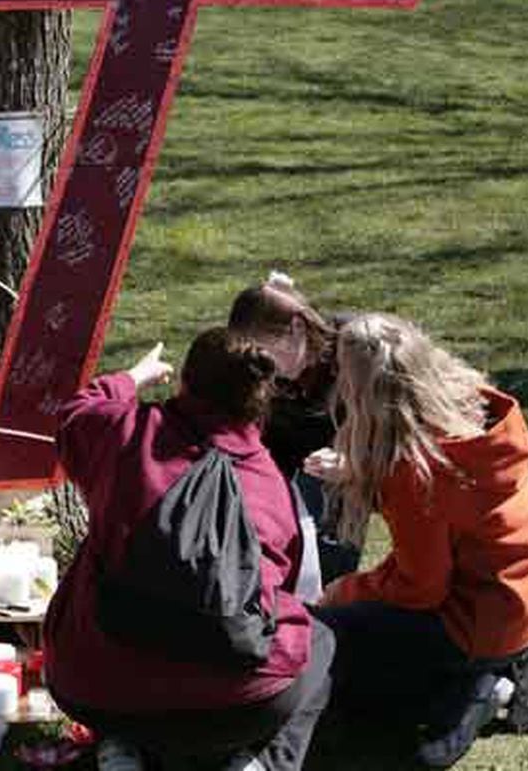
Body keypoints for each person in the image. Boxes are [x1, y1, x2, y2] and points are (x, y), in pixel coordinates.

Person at [43, 329, 334, 771]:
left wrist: (131, 378)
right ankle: (263, 763)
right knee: (321, 640)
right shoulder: (268, 483)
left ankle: (119, 747)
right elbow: (280, 590)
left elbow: (73, 414)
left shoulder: (123, 435)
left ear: (184, 381)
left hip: (97, 689)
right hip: (233, 707)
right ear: (258, 400)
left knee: (98, 601)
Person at [310, 314, 528, 768]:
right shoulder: (475, 414)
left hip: (477, 625)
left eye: (343, 377)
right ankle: (494, 675)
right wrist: (361, 470)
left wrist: (342, 592)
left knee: (329, 641)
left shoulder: (416, 473)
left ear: (366, 394)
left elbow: (419, 588)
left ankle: (483, 693)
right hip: (522, 601)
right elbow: (448, 516)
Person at [227, 273, 361, 582]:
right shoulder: (267, 374)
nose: (264, 364)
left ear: (297, 328)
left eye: (266, 349)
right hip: (294, 470)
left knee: (327, 557)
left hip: (360, 469)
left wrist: (353, 462)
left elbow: (396, 430)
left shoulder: (353, 352)